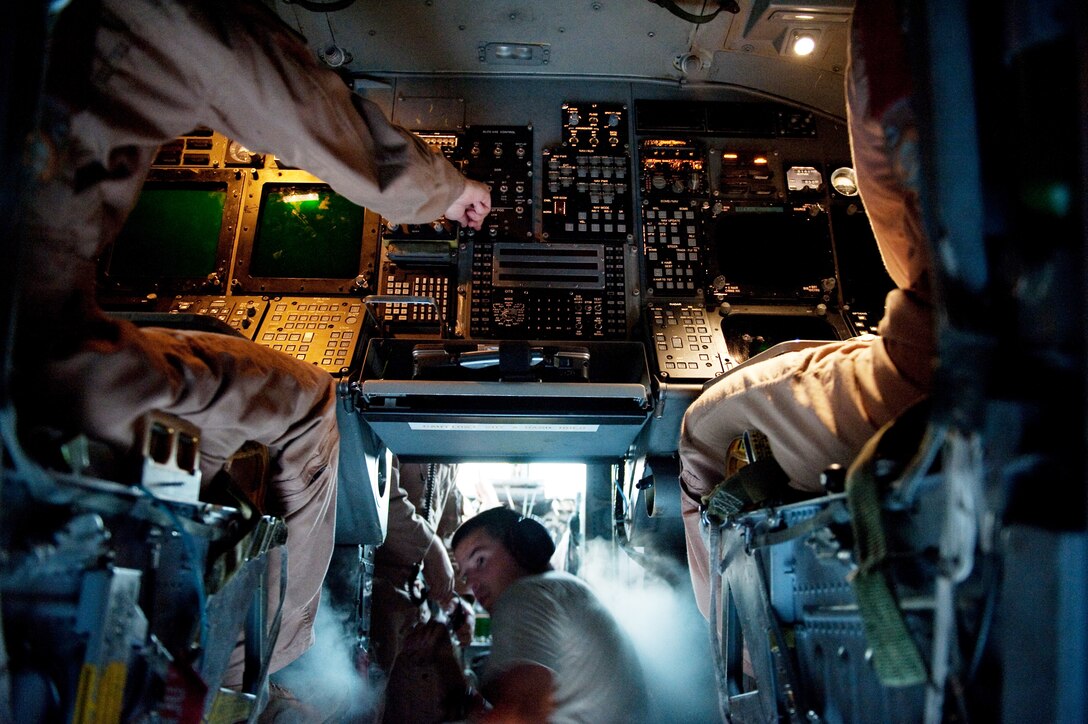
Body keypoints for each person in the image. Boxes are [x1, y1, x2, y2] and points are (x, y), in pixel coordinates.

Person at [15, 0, 491, 700]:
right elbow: (272, 84)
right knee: (307, 404)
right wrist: (444, 191)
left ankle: (193, 507)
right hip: (42, 351)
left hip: (38, 332)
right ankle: (260, 666)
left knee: (216, 351)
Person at [677, 0, 934, 620]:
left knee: (697, 434)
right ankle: (728, 636)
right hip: (967, 359)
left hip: (928, 379)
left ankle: (730, 641)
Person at [451, 506, 650, 724]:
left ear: (523, 546)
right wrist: (445, 660)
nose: (472, 584)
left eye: (480, 560)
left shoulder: (525, 596)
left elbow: (519, 716)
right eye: (465, 575)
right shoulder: (566, 588)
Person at [371, 460, 475, 721]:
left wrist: (458, 601)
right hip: (372, 590)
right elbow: (378, 497)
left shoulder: (449, 456)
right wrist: (428, 546)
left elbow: (448, 530)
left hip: (412, 606)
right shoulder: (399, 426)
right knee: (363, 704)